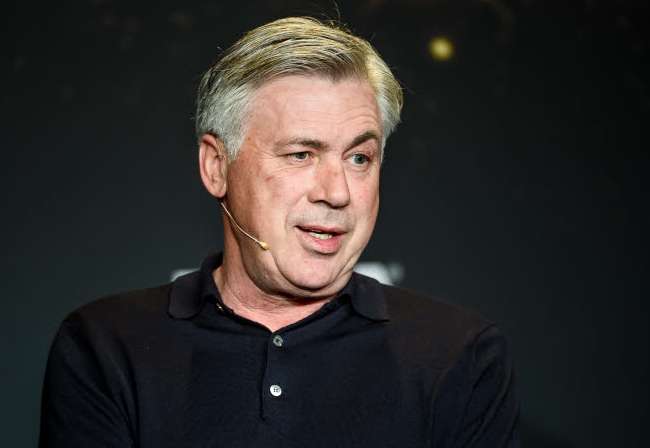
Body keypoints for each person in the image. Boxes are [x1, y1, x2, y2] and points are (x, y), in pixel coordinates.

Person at [40, 17, 519, 447]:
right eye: (301, 155)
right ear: (216, 166)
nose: (337, 192)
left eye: (359, 158)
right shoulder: (106, 346)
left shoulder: (460, 354)